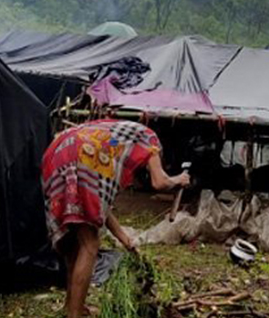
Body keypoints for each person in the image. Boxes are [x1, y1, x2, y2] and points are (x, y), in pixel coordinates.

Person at [41, 119, 190, 318]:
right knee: (90, 244)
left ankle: (72, 306)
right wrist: (180, 178)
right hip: (84, 153)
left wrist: (125, 240)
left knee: (73, 244)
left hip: (58, 151)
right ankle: (75, 314)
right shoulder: (150, 139)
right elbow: (160, 182)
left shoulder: (114, 138)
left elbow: (98, 206)